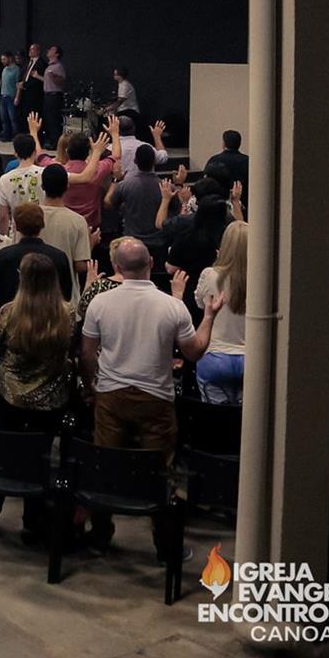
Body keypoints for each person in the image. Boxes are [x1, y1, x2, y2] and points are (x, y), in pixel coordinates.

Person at [79, 238, 220, 559]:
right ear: (151, 264)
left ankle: (101, 533)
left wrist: (90, 386)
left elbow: (86, 353)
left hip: (111, 395)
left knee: (106, 462)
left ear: (116, 268)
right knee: (160, 469)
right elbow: (194, 351)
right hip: (156, 397)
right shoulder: (172, 306)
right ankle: (165, 545)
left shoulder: (100, 303)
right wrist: (210, 316)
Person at [0, 253, 71, 537]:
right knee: (40, 456)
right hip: (51, 400)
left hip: (10, 397)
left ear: (22, 279)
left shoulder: (9, 312)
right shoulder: (68, 313)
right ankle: (33, 519)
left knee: (5, 452)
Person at [194, 222, 248, 404]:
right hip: (250, 358)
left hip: (214, 356)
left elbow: (200, 304)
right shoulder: (263, 280)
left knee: (215, 423)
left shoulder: (209, 274)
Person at [0, 202, 74, 307]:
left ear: (17, 226)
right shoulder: (59, 257)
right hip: (50, 318)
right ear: (42, 225)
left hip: (13, 318)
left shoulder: (4, 256)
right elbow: (66, 294)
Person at [36, 165, 92, 281]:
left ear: (42, 186)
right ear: (67, 186)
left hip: (33, 288)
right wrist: (91, 243)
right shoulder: (77, 221)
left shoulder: (30, 216)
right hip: (65, 292)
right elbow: (80, 266)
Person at [201, 130, 249, 197]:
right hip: (243, 200)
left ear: (224, 144)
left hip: (218, 200)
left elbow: (205, 182)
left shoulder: (214, 160)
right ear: (239, 143)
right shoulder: (247, 161)